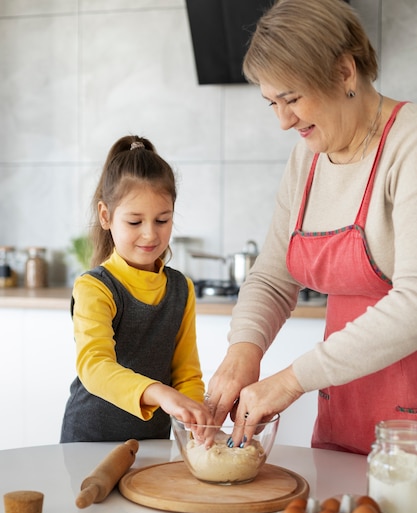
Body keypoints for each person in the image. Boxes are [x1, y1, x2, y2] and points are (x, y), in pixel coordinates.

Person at [205, 0, 417, 455]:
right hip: (342, 418)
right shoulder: (309, 155)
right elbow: (273, 274)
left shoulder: (409, 146)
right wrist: (245, 349)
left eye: (293, 98)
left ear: (344, 72)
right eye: (272, 104)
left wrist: (291, 380)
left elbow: (413, 304)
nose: (283, 121)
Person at [61, 135, 213, 442]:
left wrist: (195, 420)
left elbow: (186, 374)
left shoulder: (181, 289)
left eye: (162, 219)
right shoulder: (95, 288)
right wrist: (160, 393)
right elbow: (95, 366)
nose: (149, 234)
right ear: (106, 216)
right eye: (134, 222)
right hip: (89, 441)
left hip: (152, 442)